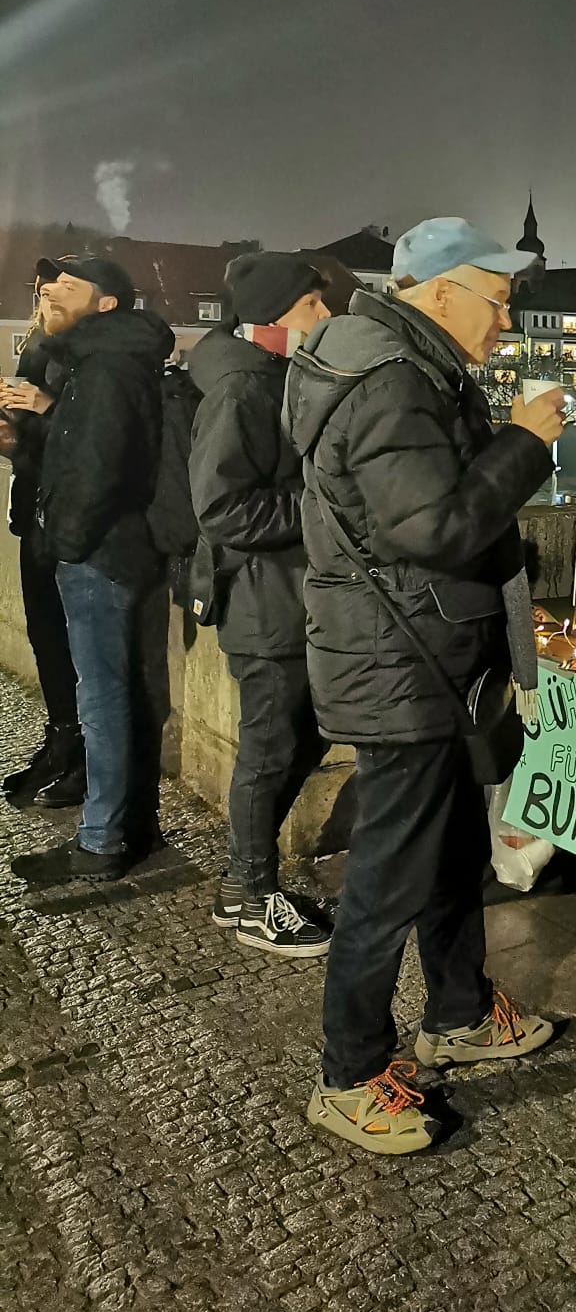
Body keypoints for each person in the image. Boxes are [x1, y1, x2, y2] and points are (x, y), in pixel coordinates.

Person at [284, 216, 566, 1154]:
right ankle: (350, 1073)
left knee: (447, 851)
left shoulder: (403, 365)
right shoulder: (392, 380)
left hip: (421, 652)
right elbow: (434, 528)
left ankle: (459, 1012)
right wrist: (522, 442)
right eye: (499, 300)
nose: (507, 322)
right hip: (399, 661)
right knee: (389, 872)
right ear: (443, 291)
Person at [10, 255, 175, 885]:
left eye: (69, 284)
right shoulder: (108, 360)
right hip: (118, 549)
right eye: (49, 282)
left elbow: (98, 469)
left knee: (101, 698)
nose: (51, 289)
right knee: (122, 694)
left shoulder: (104, 368)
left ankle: (103, 840)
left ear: (107, 304)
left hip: (101, 554)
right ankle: (133, 826)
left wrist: (65, 542)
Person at [188, 252, 333, 956]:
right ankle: (254, 898)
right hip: (263, 601)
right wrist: (318, 508)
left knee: (301, 740)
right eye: (313, 305)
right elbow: (221, 508)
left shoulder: (273, 376)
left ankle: (241, 883)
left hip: (286, 597)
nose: (325, 316)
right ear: (276, 315)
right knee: (270, 750)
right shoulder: (243, 390)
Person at [0, 312, 83, 805]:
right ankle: (61, 738)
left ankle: (83, 754)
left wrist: (48, 409)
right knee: (46, 636)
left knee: (80, 648)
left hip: (75, 522)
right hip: (35, 513)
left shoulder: (99, 357)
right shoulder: (37, 346)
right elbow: (35, 445)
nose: (45, 298)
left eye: (57, 288)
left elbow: (96, 444)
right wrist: (12, 433)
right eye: (41, 291)